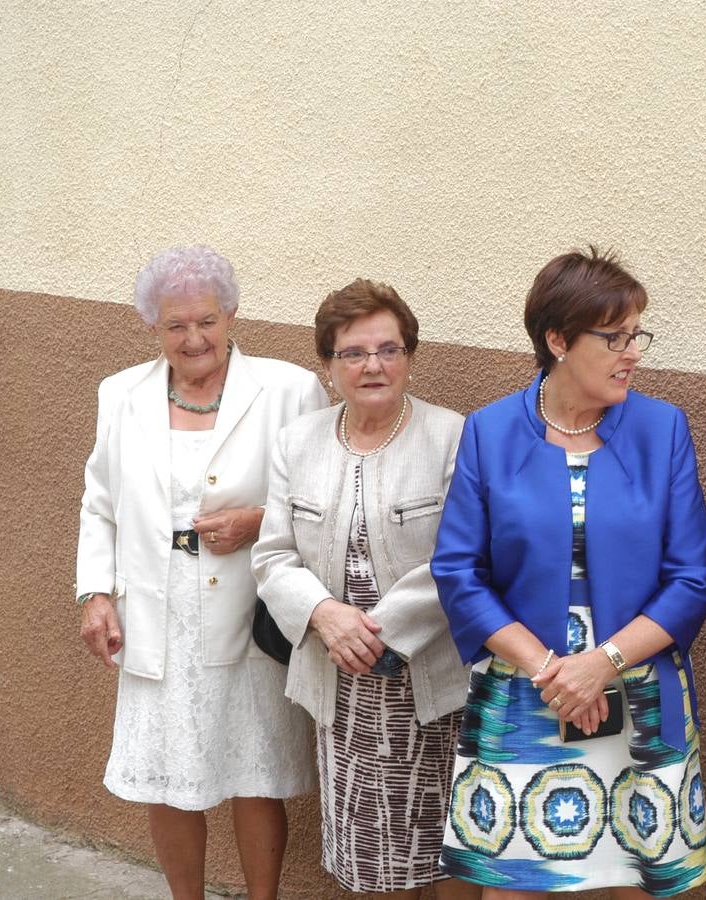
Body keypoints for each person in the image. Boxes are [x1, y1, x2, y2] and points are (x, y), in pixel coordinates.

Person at [433, 248, 706, 898]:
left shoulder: (661, 429)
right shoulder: (490, 432)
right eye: (613, 336)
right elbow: (458, 571)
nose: (632, 352)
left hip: (639, 685)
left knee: (632, 880)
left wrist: (602, 663)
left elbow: (693, 576)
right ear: (557, 340)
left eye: (636, 333)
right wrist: (549, 672)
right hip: (523, 687)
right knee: (515, 879)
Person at [75, 245, 326, 900]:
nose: (194, 338)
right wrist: (96, 592)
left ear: (233, 314)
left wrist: (258, 522)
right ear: (152, 327)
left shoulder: (289, 389)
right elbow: (99, 503)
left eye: (207, 320)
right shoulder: (120, 394)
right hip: (155, 613)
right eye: (175, 325)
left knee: (255, 771)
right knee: (165, 773)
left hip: (248, 609)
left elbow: (321, 498)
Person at [252, 278, 476, 899]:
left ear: (409, 355)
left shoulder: (452, 435)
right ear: (327, 366)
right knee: (369, 852)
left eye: (389, 349)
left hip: (431, 681)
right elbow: (272, 556)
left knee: (447, 847)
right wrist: (325, 614)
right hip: (341, 683)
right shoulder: (297, 442)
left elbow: (462, 557)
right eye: (353, 352)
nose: (372, 365)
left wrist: (379, 633)